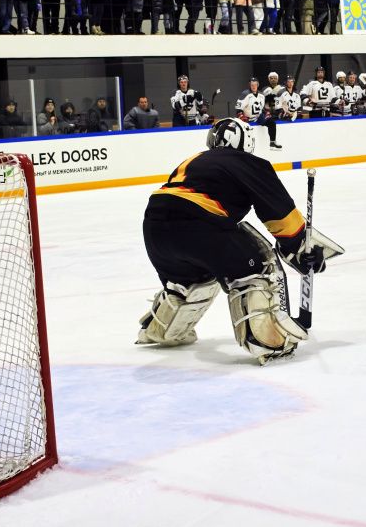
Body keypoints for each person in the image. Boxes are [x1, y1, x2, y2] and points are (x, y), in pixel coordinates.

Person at [135, 117, 341, 364]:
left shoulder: (195, 159)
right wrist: (301, 248)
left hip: (155, 229)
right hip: (200, 225)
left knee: (192, 281)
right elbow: (279, 213)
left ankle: (161, 329)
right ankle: (268, 341)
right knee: (255, 267)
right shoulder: (248, 162)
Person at [236, 77, 281, 150]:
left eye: (255, 84)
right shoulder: (245, 94)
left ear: (258, 85)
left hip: (258, 117)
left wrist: (266, 112)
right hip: (248, 119)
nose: (253, 86)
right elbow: (238, 108)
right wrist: (241, 115)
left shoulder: (261, 95)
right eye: (252, 85)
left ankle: (272, 142)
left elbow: (262, 108)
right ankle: (242, 147)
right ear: (249, 85)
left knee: (272, 123)